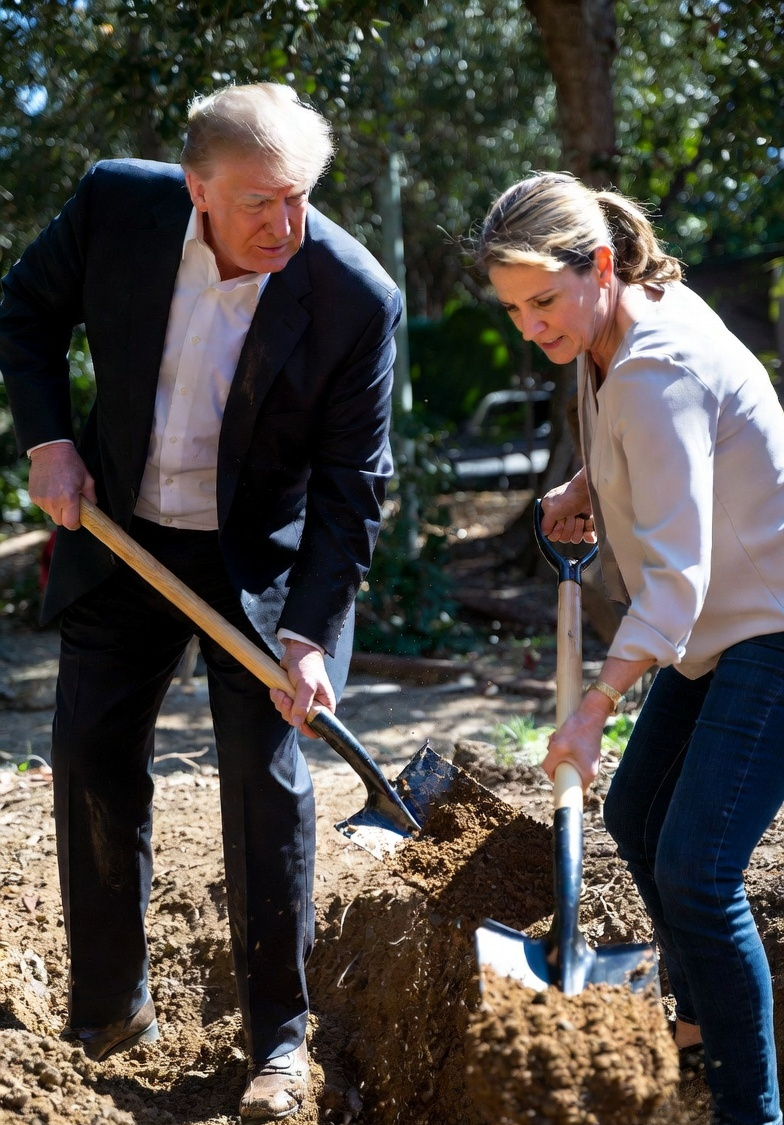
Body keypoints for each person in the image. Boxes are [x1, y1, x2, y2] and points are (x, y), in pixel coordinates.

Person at [0, 83, 401, 1121]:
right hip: (122, 529)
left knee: (264, 783)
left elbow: (353, 486)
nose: (285, 225)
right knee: (89, 756)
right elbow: (25, 308)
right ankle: (109, 1009)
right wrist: (49, 441)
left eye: (301, 197)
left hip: (260, 565)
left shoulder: (354, 296)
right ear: (197, 189)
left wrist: (308, 636)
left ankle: (280, 1044)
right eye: (259, 202)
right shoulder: (115, 208)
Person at [476, 170, 784, 1125]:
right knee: (637, 812)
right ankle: (694, 1028)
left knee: (698, 869)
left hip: (768, 623)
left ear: (600, 265)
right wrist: (588, 485)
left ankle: (751, 1108)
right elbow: (672, 447)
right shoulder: (608, 326)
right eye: (513, 308)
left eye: (543, 301)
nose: (531, 327)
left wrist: (593, 708)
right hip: (720, 620)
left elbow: (676, 584)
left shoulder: (656, 365)